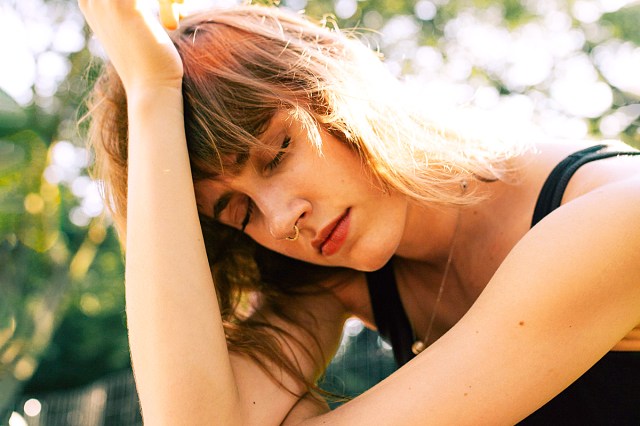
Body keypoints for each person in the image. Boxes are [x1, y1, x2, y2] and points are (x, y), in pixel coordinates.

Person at [79, 0, 640, 424]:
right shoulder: (335, 279)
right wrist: (151, 95)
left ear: (330, 82)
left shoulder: (615, 219)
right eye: (239, 213)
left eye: (277, 154)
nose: (278, 220)